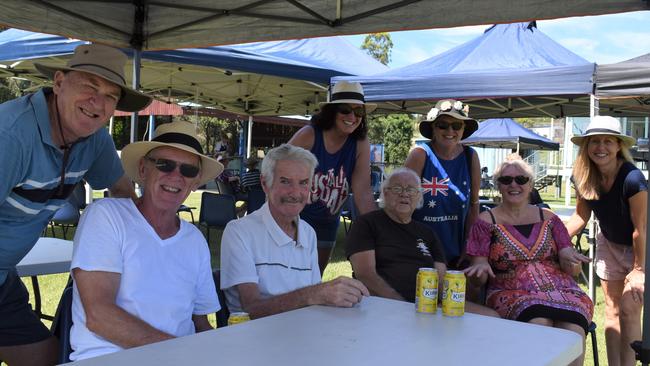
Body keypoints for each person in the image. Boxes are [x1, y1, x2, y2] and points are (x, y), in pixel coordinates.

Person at [0, 43, 152, 365]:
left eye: (111, 96)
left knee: (47, 358)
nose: (98, 103)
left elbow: (123, 194)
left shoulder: (94, 140)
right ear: (58, 83)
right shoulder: (10, 136)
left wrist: (145, 259)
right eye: (89, 86)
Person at [70, 121, 224, 361]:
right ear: (143, 169)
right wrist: (181, 353)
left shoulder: (194, 240)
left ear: (195, 184)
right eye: (165, 165)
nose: (176, 176)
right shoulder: (107, 216)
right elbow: (100, 316)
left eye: (188, 171)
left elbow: (200, 322)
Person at [464, 155, 594, 366]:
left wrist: (572, 262)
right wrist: (479, 269)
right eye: (506, 180)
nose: (514, 184)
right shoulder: (486, 221)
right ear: (498, 186)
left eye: (521, 179)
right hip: (510, 291)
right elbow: (478, 271)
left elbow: (570, 264)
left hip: (563, 290)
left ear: (531, 184)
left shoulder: (549, 218)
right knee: (538, 322)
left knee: (573, 330)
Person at [220, 144, 369, 319]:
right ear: (265, 184)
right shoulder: (239, 231)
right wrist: (313, 294)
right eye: (285, 181)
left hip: (302, 334)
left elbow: (315, 300)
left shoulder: (308, 233)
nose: (295, 192)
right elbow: (250, 309)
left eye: (303, 183)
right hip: (254, 340)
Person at [346, 167, 497, 316]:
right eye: (397, 188)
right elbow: (366, 274)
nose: (404, 194)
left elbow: (441, 280)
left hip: (428, 306)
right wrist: (402, 305)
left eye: (411, 190)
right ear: (385, 193)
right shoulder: (367, 224)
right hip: (383, 305)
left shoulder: (427, 233)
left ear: (419, 197)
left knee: (492, 318)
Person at [565, 116, 646, 366]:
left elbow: (641, 227)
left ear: (618, 145)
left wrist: (640, 270)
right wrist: (553, 240)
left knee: (629, 309)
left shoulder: (633, 179)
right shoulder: (582, 176)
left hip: (642, 246)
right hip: (609, 244)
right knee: (611, 310)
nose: (601, 147)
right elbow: (580, 216)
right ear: (586, 146)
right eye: (595, 141)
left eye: (607, 141)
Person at [289, 81, 378, 274]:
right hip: (294, 220)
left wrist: (379, 229)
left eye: (359, 112)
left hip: (327, 223)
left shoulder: (360, 143)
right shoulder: (309, 135)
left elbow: (363, 192)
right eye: (345, 110)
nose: (352, 117)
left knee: (314, 277)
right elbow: (277, 171)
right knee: (289, 276)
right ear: (331, 111)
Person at [405, 100, 481, 269]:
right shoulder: (419, 155)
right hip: (419, 252)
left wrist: (469, 245)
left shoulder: (470, 156)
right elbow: (401, 205)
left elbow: (474, 206)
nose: (450, 131)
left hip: (456, 254)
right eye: (442, 125)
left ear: (463, 129)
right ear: (433, 128)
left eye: (456, 125)